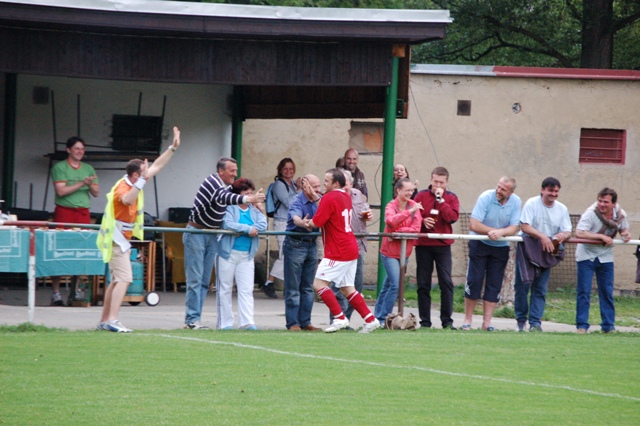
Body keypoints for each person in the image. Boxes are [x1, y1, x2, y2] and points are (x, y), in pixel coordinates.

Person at [95, 127, 180, 332]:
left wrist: (172, 148)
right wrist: (142, 180)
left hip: (121, 238)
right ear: (135, 175)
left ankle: (105, 320)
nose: (146, 176)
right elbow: (126, 199)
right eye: (142, 174)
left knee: (117, 280)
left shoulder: (135, 181)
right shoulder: (123, 187)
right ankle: (112, 320)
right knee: (124, 278)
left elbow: (157, 166)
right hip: (116, 239)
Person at [183, 157, 265, 330]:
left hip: (212, 234)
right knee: (196, 279)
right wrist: (249, 200)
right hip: (197, 232)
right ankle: (191, 320)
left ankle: (195, 319)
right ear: (221, 171)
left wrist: (255, 206)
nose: (235, 174)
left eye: (236, 170)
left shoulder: (226, 187)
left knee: (205, 280)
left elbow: (229, 200)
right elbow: (224, 198)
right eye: (232, 170)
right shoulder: (213, 182)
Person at [304, 168, 380, 334]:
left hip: (338, 249)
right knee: (347, 288)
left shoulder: (329, 198)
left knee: (318, 283)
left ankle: (339, 317)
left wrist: (306, 223)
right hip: (350, 246)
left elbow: (317, 222)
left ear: (335, 183)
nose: (323, 184)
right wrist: (317, 197)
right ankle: (370, 319)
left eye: (326, 181)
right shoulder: (345, 196)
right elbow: (329, 206)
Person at [462, 177, 521, 331]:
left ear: (511, 192)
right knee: (474, 280)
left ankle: (487, 323)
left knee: (494, 284)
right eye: (498, 186)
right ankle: (467, 320)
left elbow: (514, 227)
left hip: (500, 247)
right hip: (479, 243)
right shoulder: (485, 197)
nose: (498, 191)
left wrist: (501, 232)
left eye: (503, 189)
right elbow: (474, 224)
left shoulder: (516, 202)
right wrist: (491, 232)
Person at [514, 177, 572, 332]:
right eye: (550, 190)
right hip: (528, 247)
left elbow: (567, 230)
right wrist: (542, 236)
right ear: (543, 190)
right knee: (523, 285)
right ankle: (521, 321)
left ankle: (535, 323)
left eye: (556, 191)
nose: (553, 194)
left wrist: (563, 235)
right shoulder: (532, 203)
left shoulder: (562, 209)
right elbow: (525, 226)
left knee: (540, 288)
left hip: (548, 250)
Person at [49, 136, 100, 305]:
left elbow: (96, 193)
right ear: (68, 149)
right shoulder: (60, 167)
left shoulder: (89, 168)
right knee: (60, 250)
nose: (80, 152)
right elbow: (61, 191)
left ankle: (76, 290)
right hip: (64, 211)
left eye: (82, 149)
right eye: (77, 148)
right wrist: (81, 183)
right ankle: (56, 293)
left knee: (81, 251)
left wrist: (90, 184)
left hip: (83, 213)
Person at [575, 188, 631, 334]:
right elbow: (580, 232)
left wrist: (625, 234)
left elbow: (623, 229)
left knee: (606, 291)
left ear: (613, 203)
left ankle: (608, 326)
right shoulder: (590, 213)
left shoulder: (620, 214)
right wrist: (600, 237)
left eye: (606, 202)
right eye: (600, 201)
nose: (602, 204)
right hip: (586, 256)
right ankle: (582, 326)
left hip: (606, 257)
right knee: (584, 291)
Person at [217, 178, 268, 330]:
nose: (250, 196)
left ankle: (246, 322)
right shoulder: (230, 208)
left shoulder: (254, 209)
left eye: (251, 193)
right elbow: (228, 224)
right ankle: (225, 323)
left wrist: (244, 229)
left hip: (247, 255)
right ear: (238, 194)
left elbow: (262, 225)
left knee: (246, 289)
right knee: (225, 288)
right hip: (228, 253)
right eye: (247, 193)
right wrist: (248, 230)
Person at [414, 166, 460, 329]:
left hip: (443, 245)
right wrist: (422, 221)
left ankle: (447, 321)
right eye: (435, 182)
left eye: (441, 182)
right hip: (424, 245)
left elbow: (452, 217)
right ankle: (425, 321)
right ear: (431, 180)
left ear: (447, 183)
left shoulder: (452, 198)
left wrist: (441, 201)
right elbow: (413, 215)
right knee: (423, 283)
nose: (437, 185)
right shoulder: (420, 195)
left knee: (446, 282)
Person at [374, 178, 423, 324]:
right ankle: (384, 318)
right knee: (395, 285)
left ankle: (377, 317)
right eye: (407, 190)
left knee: (388, 285)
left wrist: (398, 232)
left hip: (404, 252)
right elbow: (390, 221)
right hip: (389, 253)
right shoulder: (391, 205)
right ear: (398, 190)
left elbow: (416, 230)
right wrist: (409, 213)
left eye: (412, 190)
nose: (410, 193)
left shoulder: (415, 206)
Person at [329, 169, 371, 323]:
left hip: (358, 247)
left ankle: (346, 319)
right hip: (340, 249)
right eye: (342, 183)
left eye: (347, 183)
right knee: (338, 288)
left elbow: (363, 212)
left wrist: (367, 215)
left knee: (357, 288)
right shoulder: (334, 197)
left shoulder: (358, 195)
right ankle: (336, 320)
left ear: (352, 183)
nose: (345, 187)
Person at [283, 174, 323, 331]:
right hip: (295, 244)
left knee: (307, 287)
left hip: (312, 245)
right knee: (293, 287)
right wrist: (303, 223)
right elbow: (295, 218)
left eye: (319, 186)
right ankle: (293, 323)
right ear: (305, 185)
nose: (319, 190)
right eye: (315, 186)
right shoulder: (297, 200)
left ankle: (305, 322)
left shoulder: (319, 199)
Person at [262, 158, 298, 299]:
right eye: (285, 169)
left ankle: (288, 286)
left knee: (291, 255)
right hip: (282, 223)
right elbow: (290, 203)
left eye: (291, 168)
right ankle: (269, 282)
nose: (288, 171)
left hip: (292, 223)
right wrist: (301, 191)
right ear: (280, 170)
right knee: (285, 255)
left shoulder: (294, 184)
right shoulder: (279, 185)